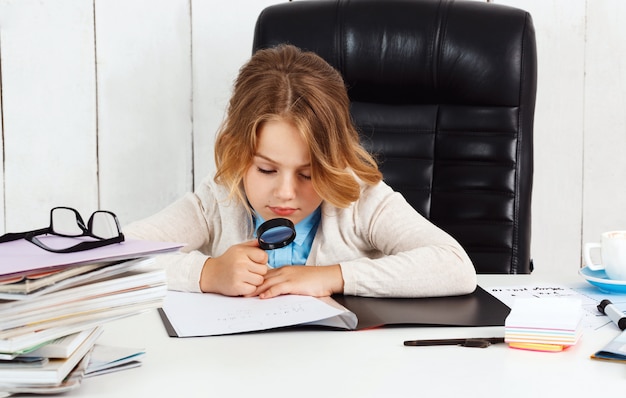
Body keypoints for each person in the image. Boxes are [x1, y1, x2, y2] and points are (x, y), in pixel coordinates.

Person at [124, 44, 476, 299]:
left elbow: (454, 266)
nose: (286, 193)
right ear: (236, 151)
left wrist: (334, 277)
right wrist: (206, 272)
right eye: (266, 169)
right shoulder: (219, 198)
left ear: (335, 159)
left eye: (307, 174)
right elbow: (114, 257)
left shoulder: (360, 200)